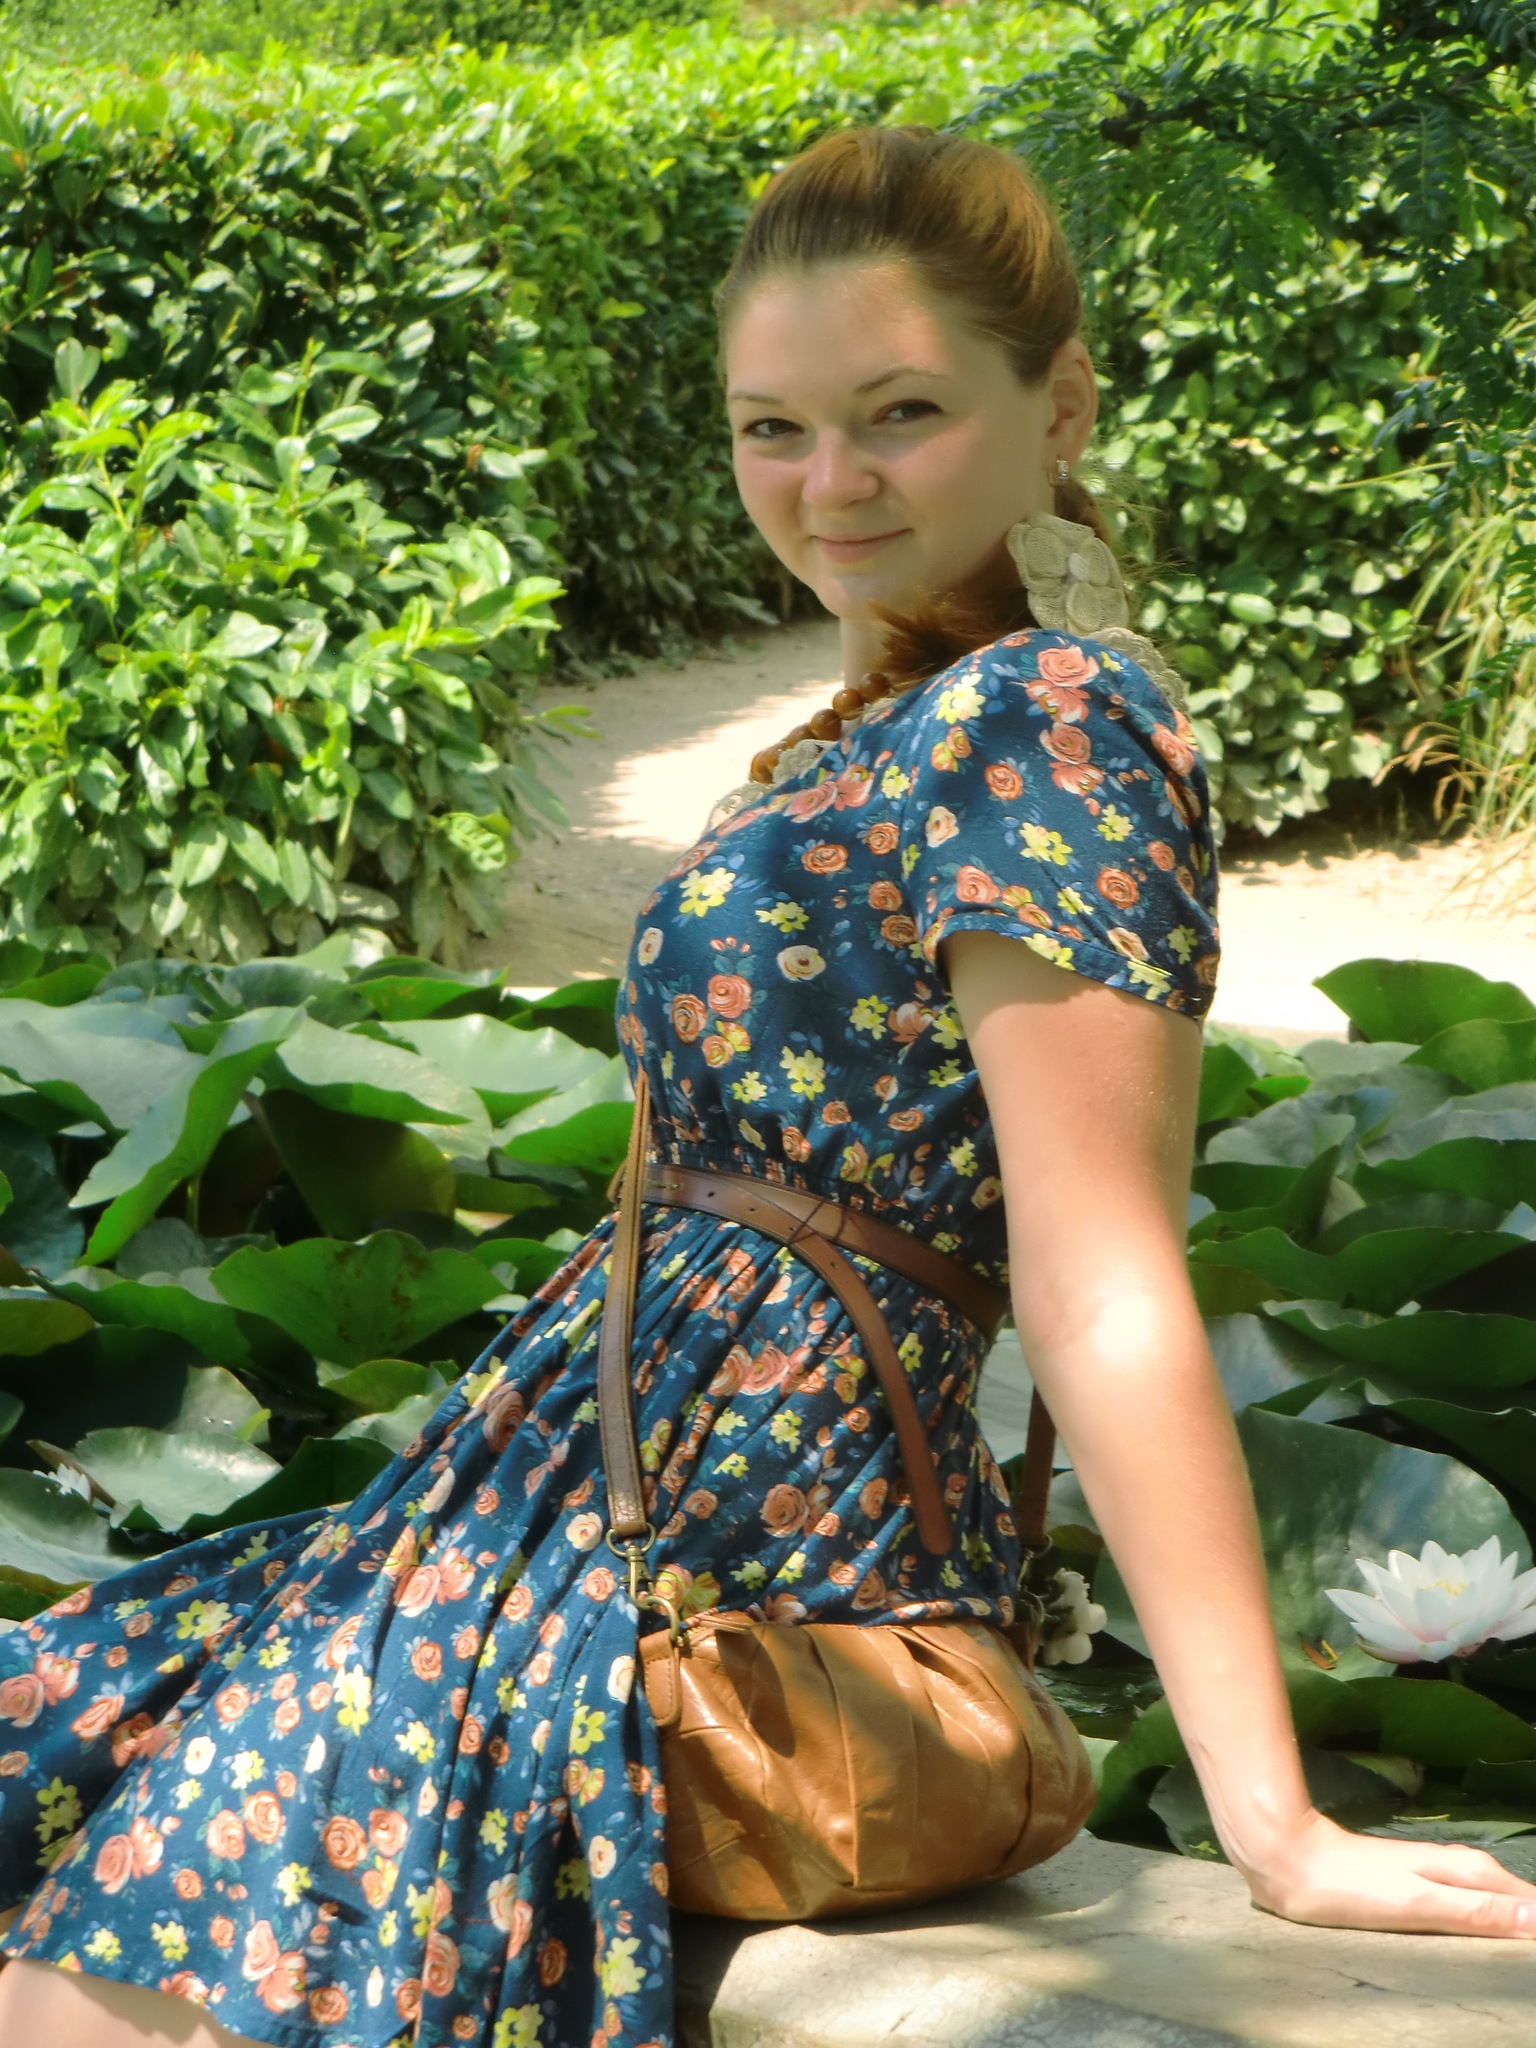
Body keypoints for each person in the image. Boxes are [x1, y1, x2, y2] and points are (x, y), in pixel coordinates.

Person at [0, 122, 1531, 2048]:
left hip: (755, 1544)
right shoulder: (879, 723)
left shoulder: (1052, 720)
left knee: (121, 1969)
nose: (829, 482)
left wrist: (1275, 1824)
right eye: (771, 430)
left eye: (900, 413)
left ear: (1058, 408)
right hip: (559, 1501)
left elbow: (1101, 1272)